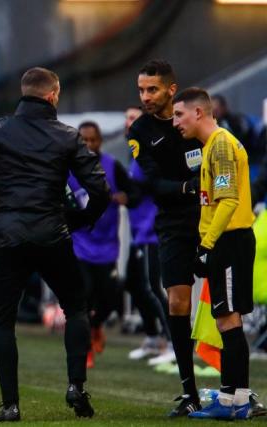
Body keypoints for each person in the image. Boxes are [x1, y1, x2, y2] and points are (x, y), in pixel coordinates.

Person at [0, 67, 109, 422]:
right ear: (53, 95)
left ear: (24, 93)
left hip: (5, 236)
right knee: (76, 308)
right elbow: (99, 188)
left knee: (3, 322)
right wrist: (83, 219)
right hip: (52, 232)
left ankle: (10, 405)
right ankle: (76, 385)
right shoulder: (68, 136)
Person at [172, 87, 256, 420]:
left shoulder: (220, 144)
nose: (175, 122)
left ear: (198, 113)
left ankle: (233, 401)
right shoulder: (213, 145)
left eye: (179, 114)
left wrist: (206, 244)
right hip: (227, 240)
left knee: (228, 319)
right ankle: (235, 396)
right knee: (227, 319)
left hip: (229, 240)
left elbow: (229, 200)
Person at [127, 60, 202, 416]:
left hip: (213, 218)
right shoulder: (139, 131)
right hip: (172, 222)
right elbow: (152, 183)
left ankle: (237, 390)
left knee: (226, 312)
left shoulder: (194, 116)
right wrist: (189, 187)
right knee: (176, 303)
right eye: (141, 90)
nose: (145, 97)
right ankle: (190, 393)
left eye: (152, 89)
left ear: (171, 90)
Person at [69, 121, 135, 369]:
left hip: (107, 245)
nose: (88, 144)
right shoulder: (68, 169)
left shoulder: (112, 167)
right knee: (83, 295)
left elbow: (133, 194)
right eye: (83, 140)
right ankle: (86, 349)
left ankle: (97, 325)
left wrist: (123, 197)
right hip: (80, 244)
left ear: (100, 141)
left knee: (110, 297)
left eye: (92, 140)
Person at [123, 106, 172, 361]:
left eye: (132, 118)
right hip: (138, 230)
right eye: (126, 119)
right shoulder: (133, 152)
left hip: (153, 229)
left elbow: (146, 185)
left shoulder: (147, 152)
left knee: (157, 287)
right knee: (133, 283)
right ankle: (154, 338)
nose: (128, 123)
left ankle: (172, 343)